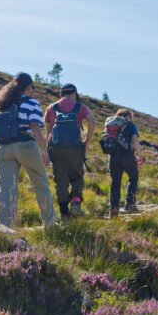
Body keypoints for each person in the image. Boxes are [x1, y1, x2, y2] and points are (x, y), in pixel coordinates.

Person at [0, 72, 56, 228]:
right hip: (26, 146)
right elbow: (35, 126)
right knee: (40, 184)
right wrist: (44, 150)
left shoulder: (3, 103)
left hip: (3, 149)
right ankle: (50, 225)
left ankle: (6, 228)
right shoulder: (31, 102)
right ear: (28, 87)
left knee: (6, 190)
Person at [43, 83, 95, 223]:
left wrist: (48, 148)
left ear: (61, 94)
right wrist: (86, 141)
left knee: (61, 181)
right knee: (77, 177)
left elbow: (47, 131)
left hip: (56, 148)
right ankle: (76, 203)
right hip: (75, 148)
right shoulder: (80, 106)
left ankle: (64, 214)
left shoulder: (51, 107)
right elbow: (91, 120)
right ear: (74, 94)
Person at [108, 108, 143, 218]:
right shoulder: (131, 125)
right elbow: (135, 140)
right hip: (127, 155)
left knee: (115, 183)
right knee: (133, 177)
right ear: (128, 116)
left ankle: (114, 209)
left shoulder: (111, 125)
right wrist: (140, 156)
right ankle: (130, 204)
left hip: (113, 157)